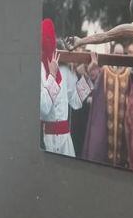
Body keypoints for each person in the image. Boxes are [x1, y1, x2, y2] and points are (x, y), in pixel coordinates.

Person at [40, 19, 95, 156]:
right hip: (46, 141)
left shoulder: (65, 69)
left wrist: (87, 75)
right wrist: (52, 76)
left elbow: (76, 102)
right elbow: (44, 109)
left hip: (65, 142)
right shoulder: (38, 70)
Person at [81, 44, 133, 167]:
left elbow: (131, 97)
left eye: (121, 54)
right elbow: (97, 95)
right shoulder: (105, 71)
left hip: (121, 122)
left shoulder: (128, 74)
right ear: (112, 53)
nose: (118, 56)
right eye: (116, 53)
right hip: (106, 121)